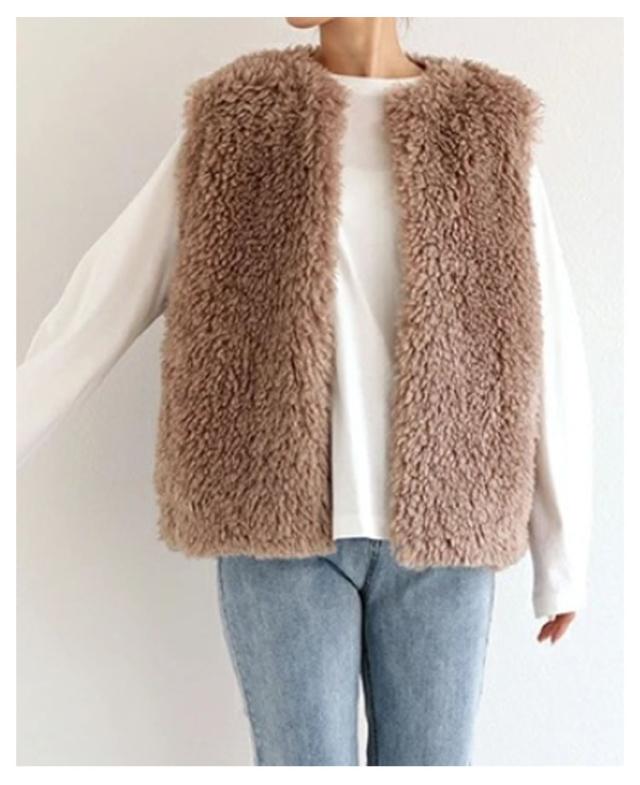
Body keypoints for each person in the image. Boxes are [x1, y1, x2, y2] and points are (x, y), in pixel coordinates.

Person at [17, 18, 593, 765]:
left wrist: (562, 554)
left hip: (444, 529)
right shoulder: (239, 116)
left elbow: (545, 339)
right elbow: (103, 299)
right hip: (277, 529)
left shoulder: (484, 127)